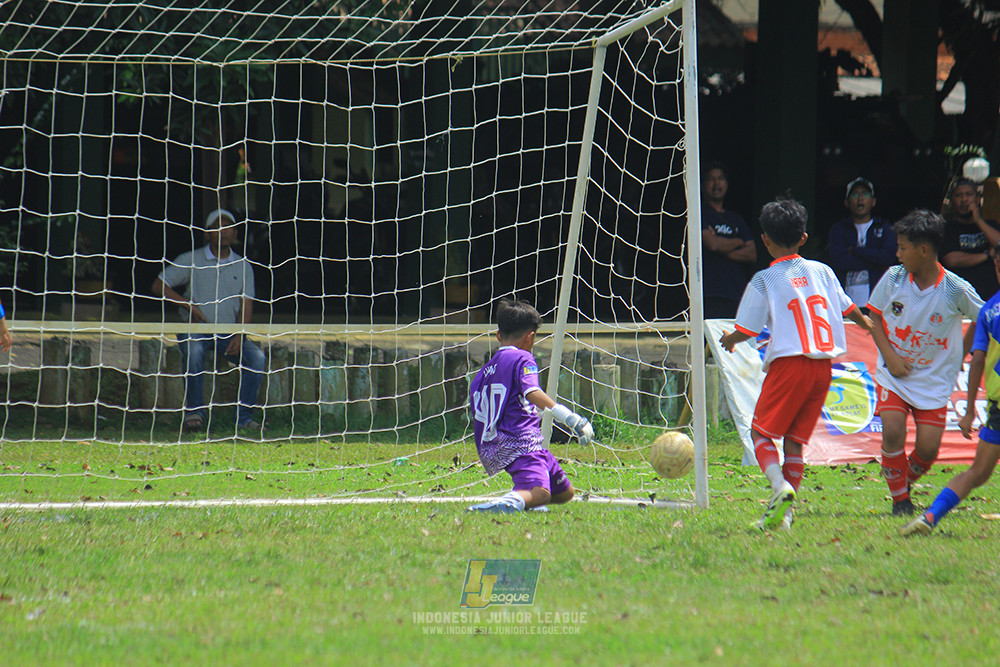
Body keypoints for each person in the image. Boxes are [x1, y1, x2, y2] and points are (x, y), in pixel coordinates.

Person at [720, 199, 874, 530]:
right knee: (794, 441)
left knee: (760, 432)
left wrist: (730, 339)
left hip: (789, 365)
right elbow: (850, 309)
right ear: (804, 237)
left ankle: (780, 487)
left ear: (764, 240)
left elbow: (747, 329)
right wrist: (868, 325)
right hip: (823, 369)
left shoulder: (765, 279)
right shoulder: (823, 271)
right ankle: (784, 518)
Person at [867, 209, 983, 516]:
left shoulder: (954, 289)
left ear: (923, 250)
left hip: (933, 379)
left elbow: (983, 318)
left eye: (903, 247)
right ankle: (900, 502)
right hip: (894, 375)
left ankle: (900, 483)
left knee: (929, 449)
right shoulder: (893, 279)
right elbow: (874, 316)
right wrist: (890, 356)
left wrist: (964, 351)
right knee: (892, 431)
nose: (897, 253)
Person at [900, 241, 1000, 536]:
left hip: (997, 408)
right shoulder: (988, 309)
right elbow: (977, 359)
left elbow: (977, 360)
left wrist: (970, 410)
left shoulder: (990, 310)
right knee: (977, 472)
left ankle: (931, 516)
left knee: (978, 472)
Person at [467, 300, 594, 513]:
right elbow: (531, 392)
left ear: (499, 336)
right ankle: (505, 503)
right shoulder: (523, 358)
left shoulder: (484, 371)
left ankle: (525, 499)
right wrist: (570, 418)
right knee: (542, 492)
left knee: (564, 493)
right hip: (520, 441)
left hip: (494, 443)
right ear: (531, 337)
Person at [152, 209, 267, 433]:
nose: (222, 233)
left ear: (235, 233)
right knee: (194, 351)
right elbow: (159, 285)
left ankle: (244, 418)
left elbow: (247, 304)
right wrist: (188, 305)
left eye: (228, 228)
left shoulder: (243, 266)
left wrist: (239, 334)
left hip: (228, 333)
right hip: (196, 329)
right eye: (217, 228)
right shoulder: (191, 259)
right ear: (207, 233)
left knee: (257, 357)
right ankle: (194, 412)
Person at [827, 177, 897, 310]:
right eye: (855, 194)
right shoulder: (839, 229)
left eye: (865, 193)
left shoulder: (885, 228)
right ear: (847, 202)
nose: (860, 198)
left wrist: (855, 250)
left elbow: (888, 258)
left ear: (873, 201)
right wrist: (876, 261)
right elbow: (839, 262)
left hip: (877, 302)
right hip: (846, 303)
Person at [701, 163, 757, 319]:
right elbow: (712, 244)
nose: (716, 183)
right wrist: (738, 242)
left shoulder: (736, 219)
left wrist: (721, 248)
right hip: (710, 292)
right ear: (702, 186)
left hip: (736, 292)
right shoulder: (700, 214)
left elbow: (752, 254)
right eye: (711, 179)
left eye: (720, 178)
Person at [941, 177, 1000, 300]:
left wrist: (978, 220)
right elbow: (951, 260)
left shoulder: (991, 225)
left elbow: (998, 243)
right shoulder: (947, 229)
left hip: (990, 296)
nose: (964, 200)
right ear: (952, 201)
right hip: (959, 298)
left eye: (968, 195)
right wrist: (987, 254)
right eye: (958, 195)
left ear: (978, 199)